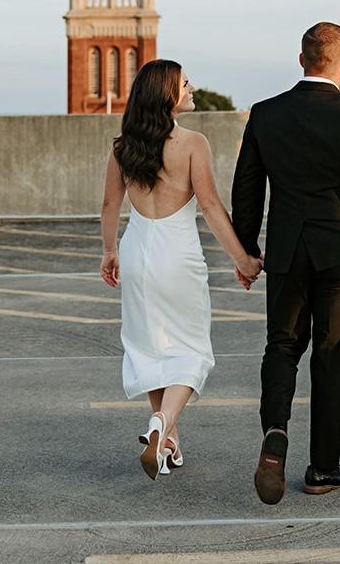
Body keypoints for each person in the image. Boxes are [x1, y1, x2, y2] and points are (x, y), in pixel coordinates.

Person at [232, 22, 340, 504]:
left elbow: (247, 189)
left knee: (282, 345)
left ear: (301, 59)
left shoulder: (266, 114)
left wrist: (248, 249)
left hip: (287, 248)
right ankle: (323, 469)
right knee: (332, 353)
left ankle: (275, 431)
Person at [99, 58, 264, 480]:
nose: (192, 88)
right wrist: (243, 259)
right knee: (191, 348)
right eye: (185, 83)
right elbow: (210, 206)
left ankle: (167, 439)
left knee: (151, 347)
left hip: (137, 250)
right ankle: (161, 422)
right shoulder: (192, 143)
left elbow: (110, 204)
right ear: (166, 94)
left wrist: (109, 251)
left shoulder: (123, 146)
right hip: (178, 253)